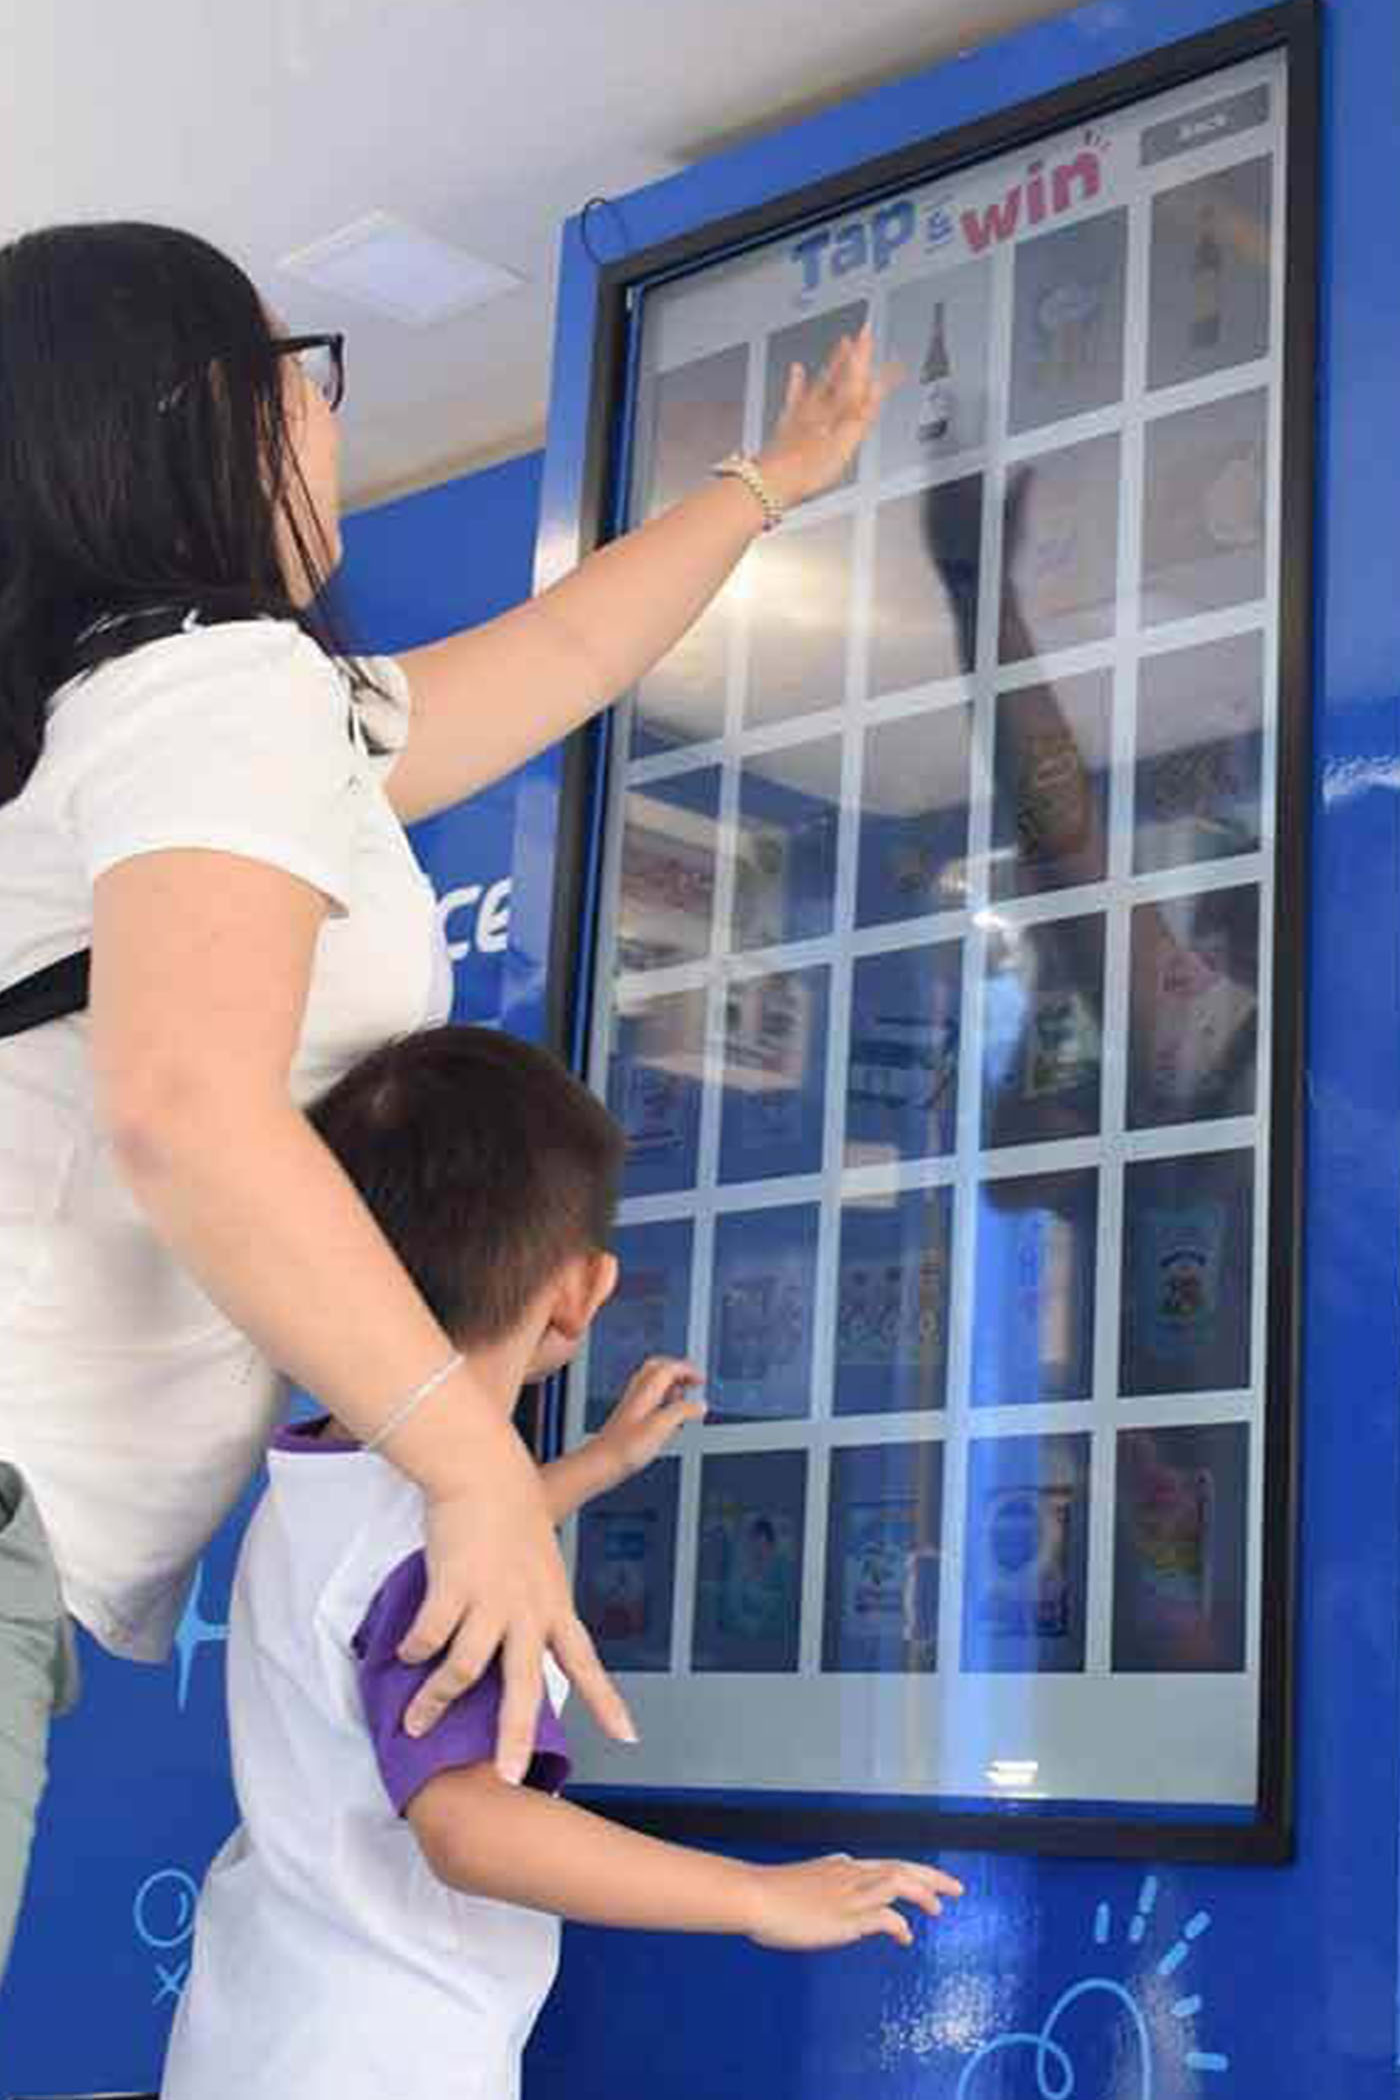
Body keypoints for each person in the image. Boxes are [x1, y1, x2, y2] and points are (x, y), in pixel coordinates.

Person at [0, 220, 891, 1975]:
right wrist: (474, 1460)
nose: (327, 416)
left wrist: (761, 486)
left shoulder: (184, 713)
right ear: (202, 416)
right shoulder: (210, 692)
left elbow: (559, 654)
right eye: (303, 370)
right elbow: (184, 1106)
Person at [159, 1025, 964, 2100]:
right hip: (394, 2060)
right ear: (582, 1292)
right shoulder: (426, 1539)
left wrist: (593, 1463)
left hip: (254, 2035)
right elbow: (467, 1821)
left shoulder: (326, 1482)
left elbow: (409, 1574)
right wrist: (758, 1893)